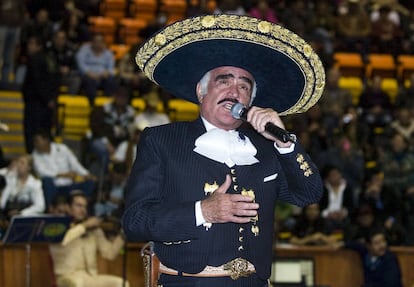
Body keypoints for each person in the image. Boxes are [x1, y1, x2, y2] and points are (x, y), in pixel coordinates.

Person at [122, 14, 325, 287]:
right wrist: (202, 212)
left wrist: (285, 143)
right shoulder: (162, 141)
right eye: (224, 81)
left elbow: (309, 193)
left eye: (244, 86)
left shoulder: (267, 149)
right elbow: (135, 222)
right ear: (200, 91)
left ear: (251, 102)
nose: (235, 92)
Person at [49, 190, 128, 287]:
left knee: (121, 283)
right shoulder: (59, 227)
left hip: (90, 277)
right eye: (78, 206)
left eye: (85, 206)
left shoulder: (93, 230)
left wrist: (123, 234)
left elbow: (109, 254)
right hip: (67, 277)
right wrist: (84, 226)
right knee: (75, 284)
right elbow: (64, 240)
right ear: (68, 207)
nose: (83, 210)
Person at [31, 130, 96, 209]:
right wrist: (64, 175)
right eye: (34, 142)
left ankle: (84, 208)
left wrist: (86, 174)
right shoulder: (35, 155)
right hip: (55, 186)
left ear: (46, 140)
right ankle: (50, 209)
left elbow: (75, 164)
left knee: (90, 182)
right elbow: (42, 173)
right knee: (46, 181)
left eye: (37, 141)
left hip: (70, 184)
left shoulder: (62, 148)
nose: (35, 144)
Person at [0, 154, 45, 219]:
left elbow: (40, 206)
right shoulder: (10, 175)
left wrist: (21, 213)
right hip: (5, 212)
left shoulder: (35, 184)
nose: (19, 165)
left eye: (22, 163)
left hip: (23, 214)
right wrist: (8, 171)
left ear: (29, 167)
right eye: (18, 162)